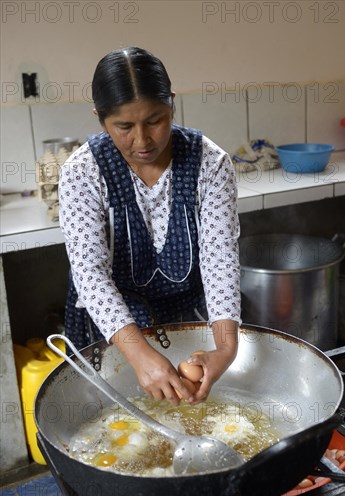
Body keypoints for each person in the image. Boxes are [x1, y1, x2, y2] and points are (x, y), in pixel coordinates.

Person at [59, 46, 241, 407]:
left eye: (155, 120)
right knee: (116, 421)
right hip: (114, 328)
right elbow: (90, 274)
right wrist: (139, 354)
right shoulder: (82, 172)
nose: (142, 141)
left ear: (171, 104)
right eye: (124, 127)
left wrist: (226, 349)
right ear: (100, 118)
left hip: (189, 319)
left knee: (193, 412)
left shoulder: (210, 163)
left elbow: (220, 262)